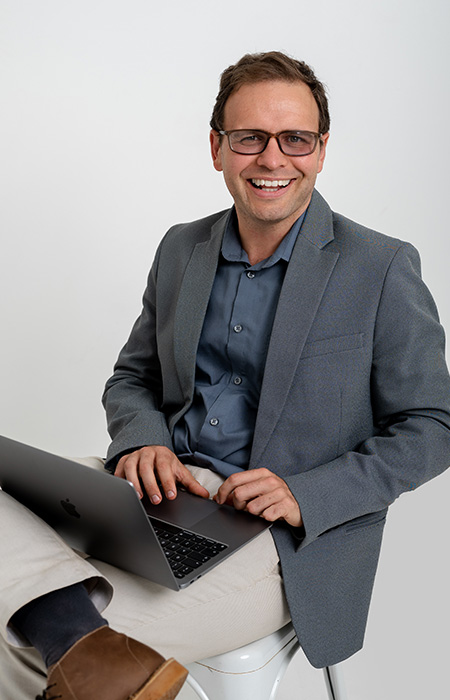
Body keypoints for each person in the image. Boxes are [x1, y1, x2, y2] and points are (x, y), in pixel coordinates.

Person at [1, 50, 450, 700]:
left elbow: (432, 426)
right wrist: (142, 442)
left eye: (295, 138)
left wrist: (307, 493)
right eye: (249, 138)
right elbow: (133, 377)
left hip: (284, 540)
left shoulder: (379, 267)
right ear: (217, 148)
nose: (272, 158)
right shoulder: (181, 247)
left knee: (26, 647)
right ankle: (76, 633)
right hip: (156, 497)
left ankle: (70, 634)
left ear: (322, 150)